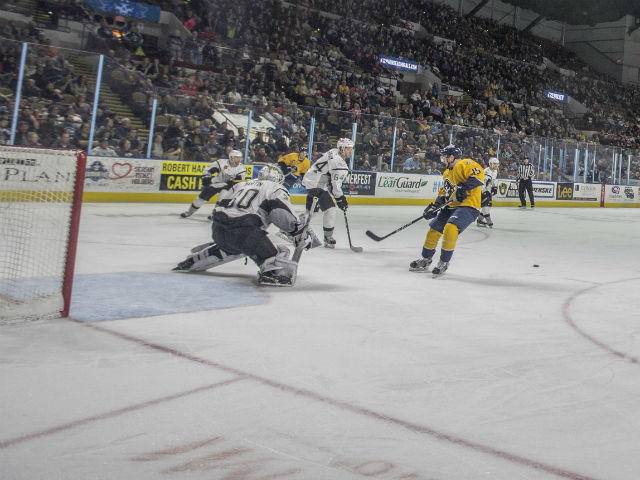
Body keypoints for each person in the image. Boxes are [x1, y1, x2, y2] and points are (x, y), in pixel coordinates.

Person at [172, 165, 320, 286]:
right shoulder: (275, 188)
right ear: (278, 179)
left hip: (218, 229)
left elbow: (220, 206)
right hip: (246, 232)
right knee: (280, 251)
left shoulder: (241, 185)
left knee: (237, 244)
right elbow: (280, 214)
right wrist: (297, 230)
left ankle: (198, 258)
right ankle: (272, 273)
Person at [409, 144, 484, 276]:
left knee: (450, 228)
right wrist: (435, 206)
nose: (442, 160)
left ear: (451, 157)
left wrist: (464, 187)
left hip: (469, 205)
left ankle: (444, 262)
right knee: (434, 229)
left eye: (444, 157)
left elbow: (478, 176)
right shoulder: (447, 173)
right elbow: (445, 192)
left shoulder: (465, 163)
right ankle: (426, 259)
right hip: (451, 206)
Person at [301, 137, 352, 248]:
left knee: (311, 212)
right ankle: (328, 237)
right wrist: (341, 199)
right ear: (342, 148)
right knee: (330, 209)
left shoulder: (333, 151)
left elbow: (330, 178)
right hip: (317, 185)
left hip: (310, 181)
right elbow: (335, 186)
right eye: (348, 149)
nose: (350, 151)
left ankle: (293, 227)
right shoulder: (340, 164)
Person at [180, 150, 246, 218]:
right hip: (217, 183)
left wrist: (230, 184)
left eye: (240, 158)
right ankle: (189, 212)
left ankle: (214, 214)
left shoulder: (241, 168)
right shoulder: (221, 163)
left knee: (223, 198)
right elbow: (208, 170)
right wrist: (206, 178)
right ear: (231, 158)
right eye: (237, 158)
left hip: (228, 186)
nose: (239, 160)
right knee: (203, 196)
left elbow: (238, 182)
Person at [477, 157, 500, 227]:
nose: (496, 165)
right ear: (491, 164)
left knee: (489, 206)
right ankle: (489, 221)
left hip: (488, 190)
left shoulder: (495, 171)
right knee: (485, 206)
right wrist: (484, 191)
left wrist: (494, 187)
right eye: (495, 164)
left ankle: (480, 220)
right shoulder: (486, 172)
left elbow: (492, 181)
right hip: (481, 190)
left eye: (497, 164)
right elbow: (482, 183)